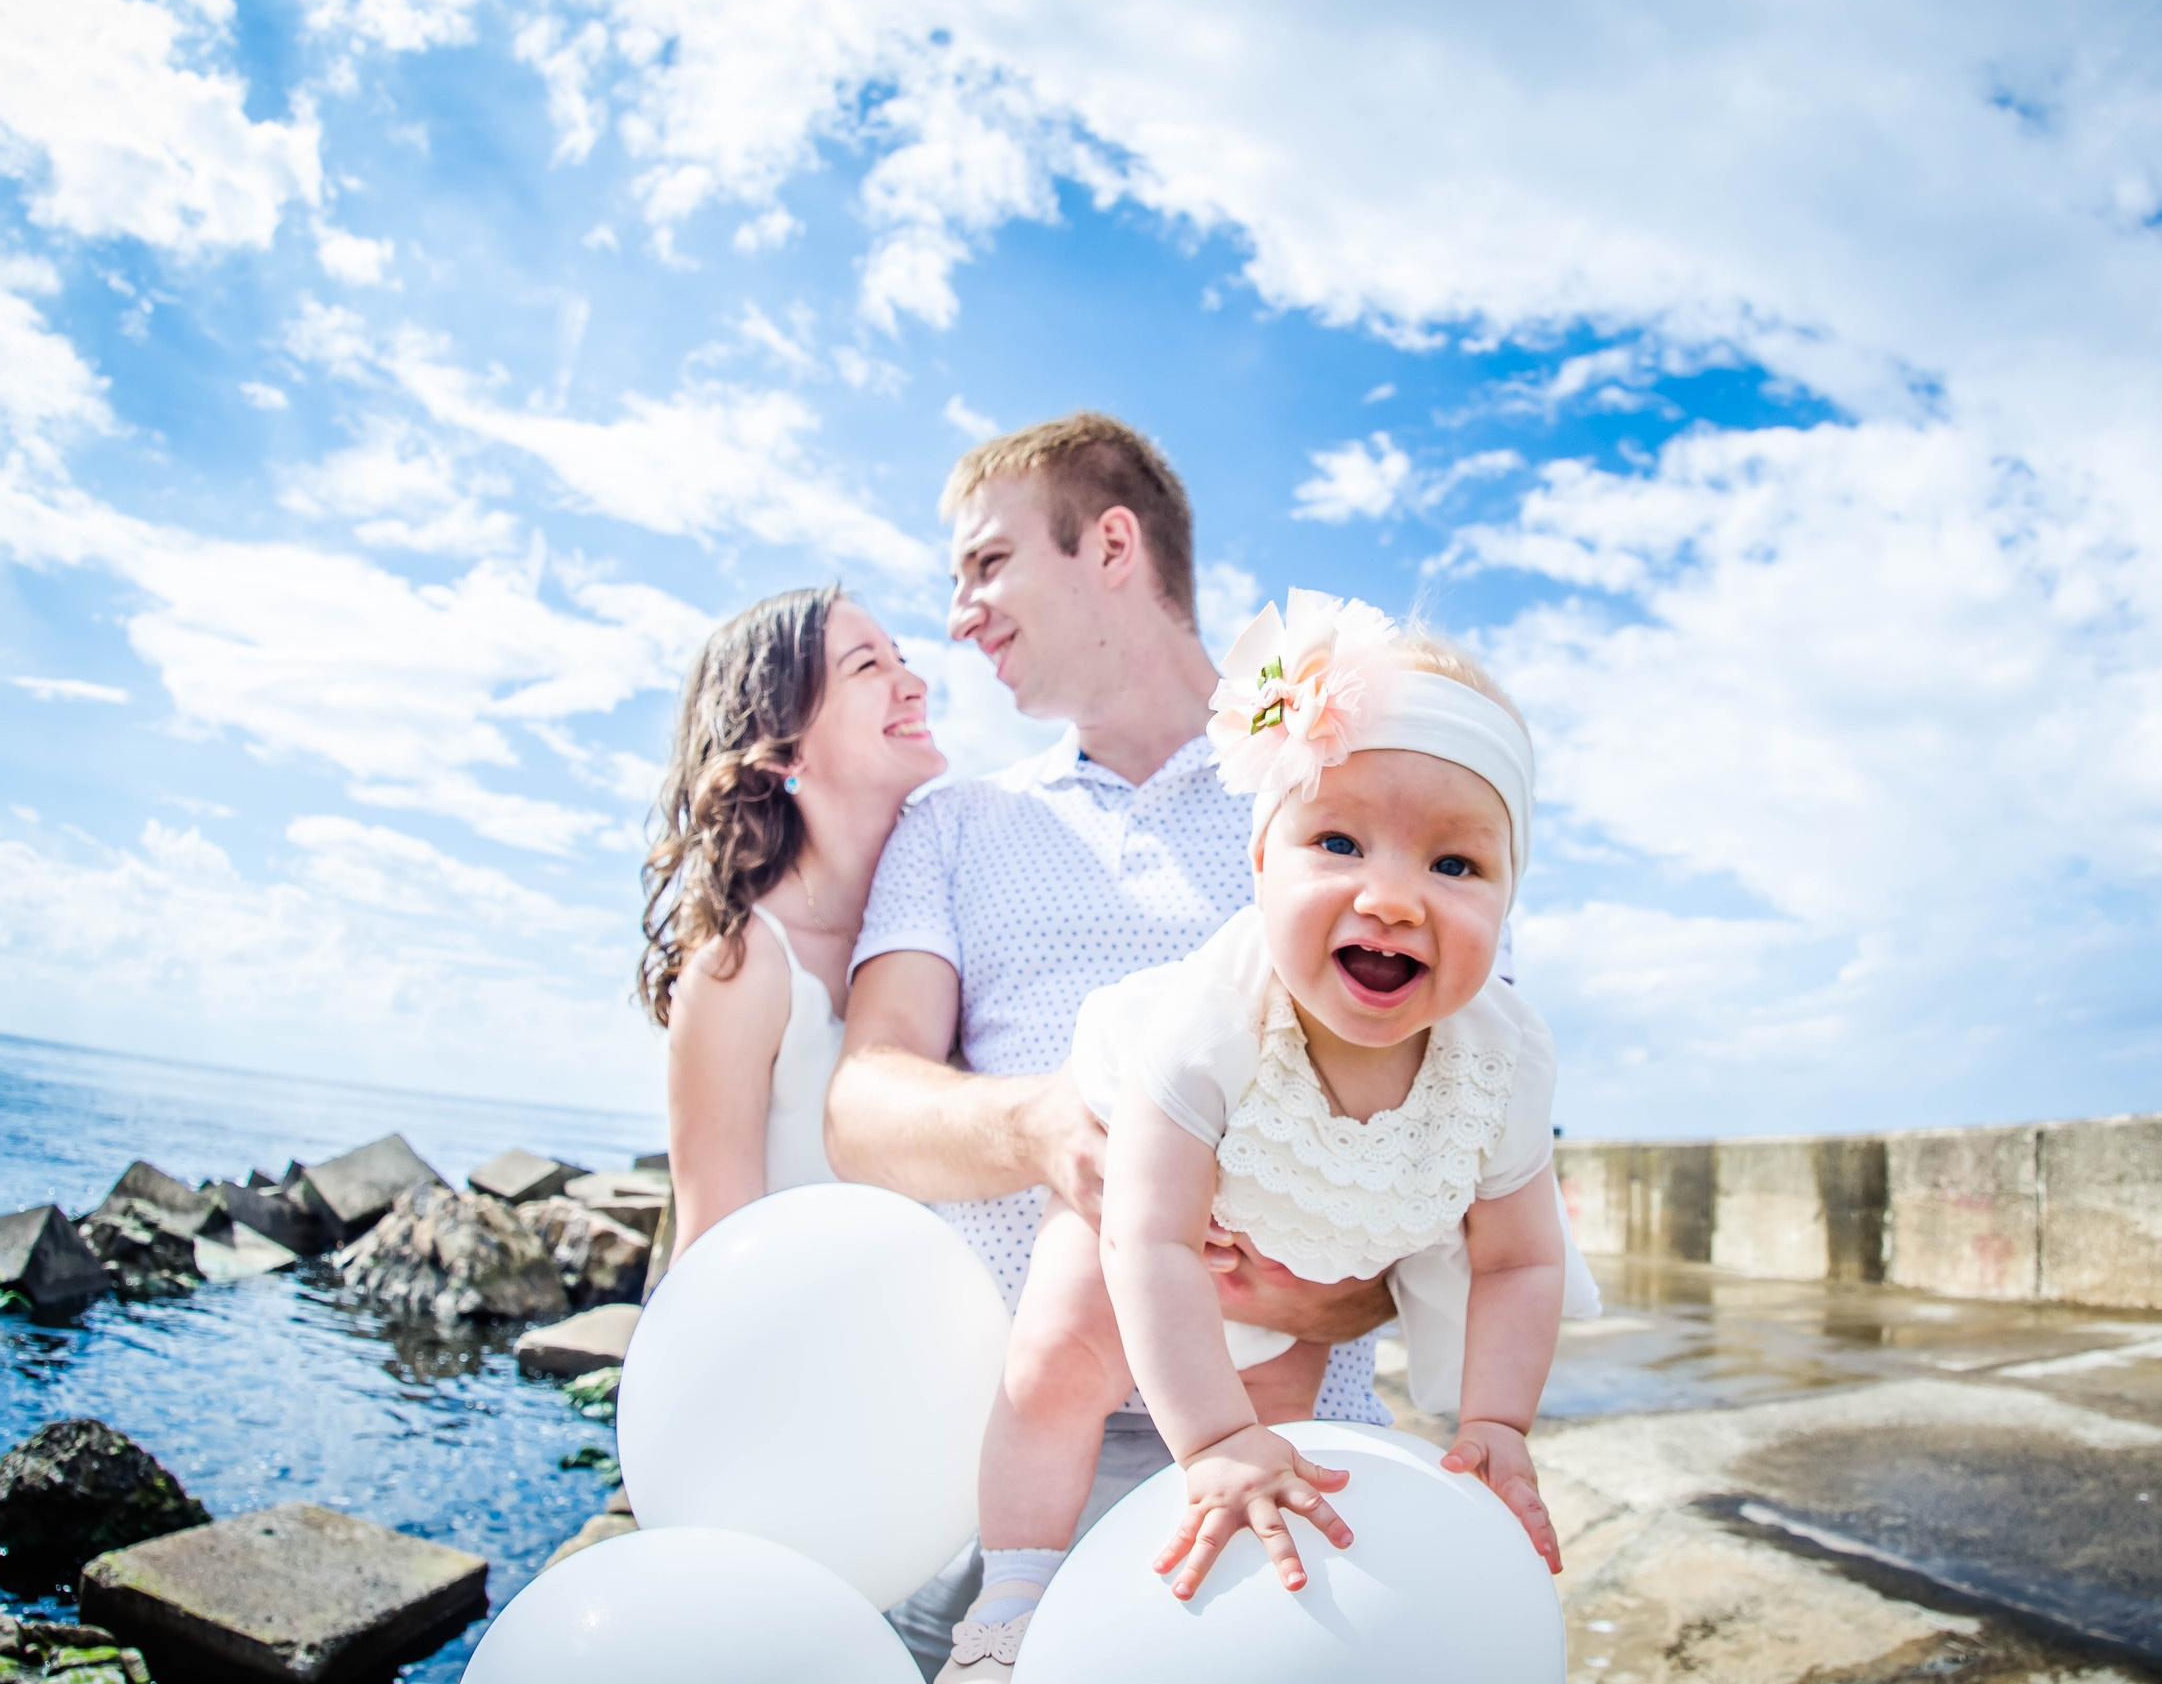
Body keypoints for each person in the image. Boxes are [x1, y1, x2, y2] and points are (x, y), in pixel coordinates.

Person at [824, 414, 1402, 1675]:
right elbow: (860, 1106)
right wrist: (1052, 1130)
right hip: (992, 1473)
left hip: (1296, 1478)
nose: (959, 614)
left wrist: (1292, 1257)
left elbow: (1464, 1108)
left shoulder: (1340, 800)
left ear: (1111, 543)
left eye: (984, 564)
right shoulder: (954, 823)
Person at [940, 593, 1598, 1677]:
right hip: (1154, 1207)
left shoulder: (1503, 1056)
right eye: (1337, 841)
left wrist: (1499, 1422)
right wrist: (1209, 1441)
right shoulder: (1214, 1017)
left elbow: (1522, 1253)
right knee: (1058, 1356)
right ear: (1260, 862)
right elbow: (1147, 1239)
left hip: (1305, 1244)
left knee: (1283, 1424)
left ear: (1510, 895)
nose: (1390, 897)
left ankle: (1216, 1618)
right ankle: (1007, 1606)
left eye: (1454, 865)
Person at [639, 586, 945, 1260]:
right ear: (784, 755)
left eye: (901, 659)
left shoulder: (952, 916)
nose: (916, 684)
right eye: (869, 667)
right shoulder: (741, 974)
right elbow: (712, 1256)